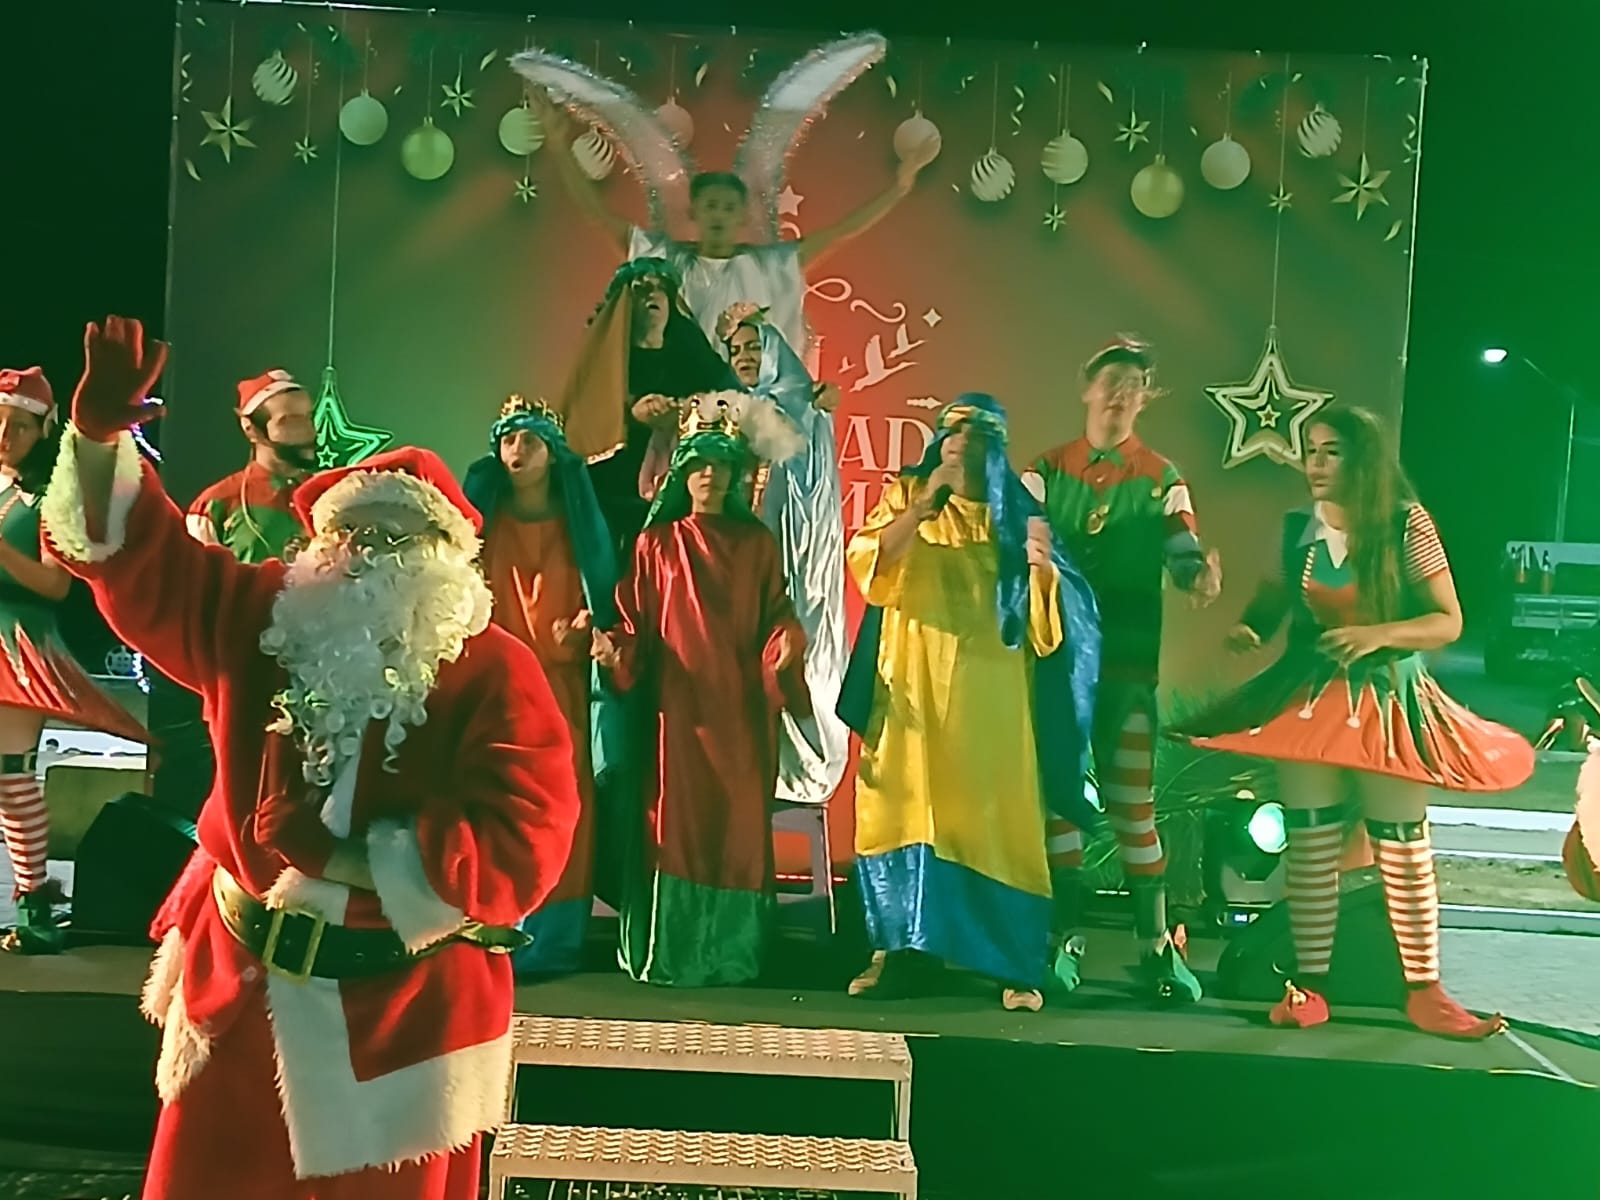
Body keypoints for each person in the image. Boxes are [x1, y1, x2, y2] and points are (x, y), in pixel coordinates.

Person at [41, 316, 580, 1198]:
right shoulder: (259, 616)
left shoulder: (495, 670)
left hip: (401, 1017)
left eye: (396, 541)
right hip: (241, 991)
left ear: (447, 562)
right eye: (348, 536)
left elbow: (525, 842)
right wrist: (100, 440)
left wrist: (348, 858)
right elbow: (148, 567)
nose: (366, 559)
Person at [1174, 405, 1532, 1039]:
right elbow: (1274, 598)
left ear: (1362, 458)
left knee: (1402, 845)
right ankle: (1309, 986)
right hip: (1311, 700)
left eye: (1331, 451)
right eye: (1310, 451)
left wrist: (1378, 635)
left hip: (1386, 698)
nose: (1315, 464)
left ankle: (1424, 991)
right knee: (1311, 843)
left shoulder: (1404, 523)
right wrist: (1248, 629)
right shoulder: (1298, 528)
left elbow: (1446, 620)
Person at [838, 395, 1102, 1011]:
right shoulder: (908, 496)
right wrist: (923, 506)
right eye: (951, 433)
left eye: (975, 436)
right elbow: (869, 567)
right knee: (903, 813)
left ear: (995, 450)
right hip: (910, 686)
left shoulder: (1021, 517)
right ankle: (901, 954)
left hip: (991, 700)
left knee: (995, 825)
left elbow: (1050, 632)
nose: (960, 444)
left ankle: (1014, 962)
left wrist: (1042, 571)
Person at [1019, 337, 1221, 1004]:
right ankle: (1063, 941)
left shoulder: (1162, 477)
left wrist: (1198, 576)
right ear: (1087, 388)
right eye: (1111, 379)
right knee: (1062, 805)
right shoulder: (1044, 471)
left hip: (1128, 670)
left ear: (1145, 398)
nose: (1120, 393)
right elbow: (1012, 539)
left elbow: (1183, 548)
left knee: (1133, 807)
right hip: (1056, 669)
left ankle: (1156, 947)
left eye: (1133, 384)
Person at [523, 44, 938, 361]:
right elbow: (597, 215)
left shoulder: (769, 265)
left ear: (741, 216)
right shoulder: (666, 260)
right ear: (694, 212)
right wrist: (558, 146)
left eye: (727, 208)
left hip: (751, 417)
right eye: (711, 206)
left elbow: (845, 230)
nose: (718, 215)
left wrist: (899, 189)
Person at [591, 392, 809, 987]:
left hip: (739, 712)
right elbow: (633, 623)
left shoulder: (757, 546)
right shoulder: (655, 546)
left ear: (737, 475)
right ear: (683, 474)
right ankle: (675, 948)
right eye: (699, 464)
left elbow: (777, 613)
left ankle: (732, 951)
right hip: (676, 716)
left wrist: (787, 641)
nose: (710, 474)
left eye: (720, 464)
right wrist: (614, 650)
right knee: (675, 824)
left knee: (736, 826)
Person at [463, 393, 621, 977]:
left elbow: (601, 598)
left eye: (529, 440)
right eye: (508, 440)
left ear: (553, 453)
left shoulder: (578, 528)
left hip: (558, 694)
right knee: (494, 804)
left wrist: (583, 627)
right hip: (497, 694)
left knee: (558, 807)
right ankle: (493, 923)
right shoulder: (486, 527)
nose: (517, 451)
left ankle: (552, 938)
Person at [0, 366, 148, 954]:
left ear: (43, 429)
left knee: (11, 773)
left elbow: (55, 584)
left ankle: (34, 900)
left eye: (19, 425)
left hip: (18, 639)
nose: (5, 435)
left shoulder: (50, 495)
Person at [716, 303, 848, 807]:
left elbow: (813, 493)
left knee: (796, 654)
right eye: (736, 351)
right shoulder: (731, 413)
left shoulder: (805, 406)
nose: (745, 357)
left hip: (798, 559)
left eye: (755, 347)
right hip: (747, 564)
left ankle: (804, 764)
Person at [556, 258, 734, 559]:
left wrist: (683, 413)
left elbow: (729, 403)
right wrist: (630, 415)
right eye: (641, 289)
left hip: (676, 502)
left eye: (660, 288)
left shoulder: (692, 357)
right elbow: (583, 420)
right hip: (612, 498)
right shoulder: (604, 360)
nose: (653, 295)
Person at [186, 369, 317, 562]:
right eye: (289, 422)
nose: (307, 430)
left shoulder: (328, 495)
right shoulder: (215, 505)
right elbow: (193, 576)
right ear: (251, 429)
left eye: (308, 417)